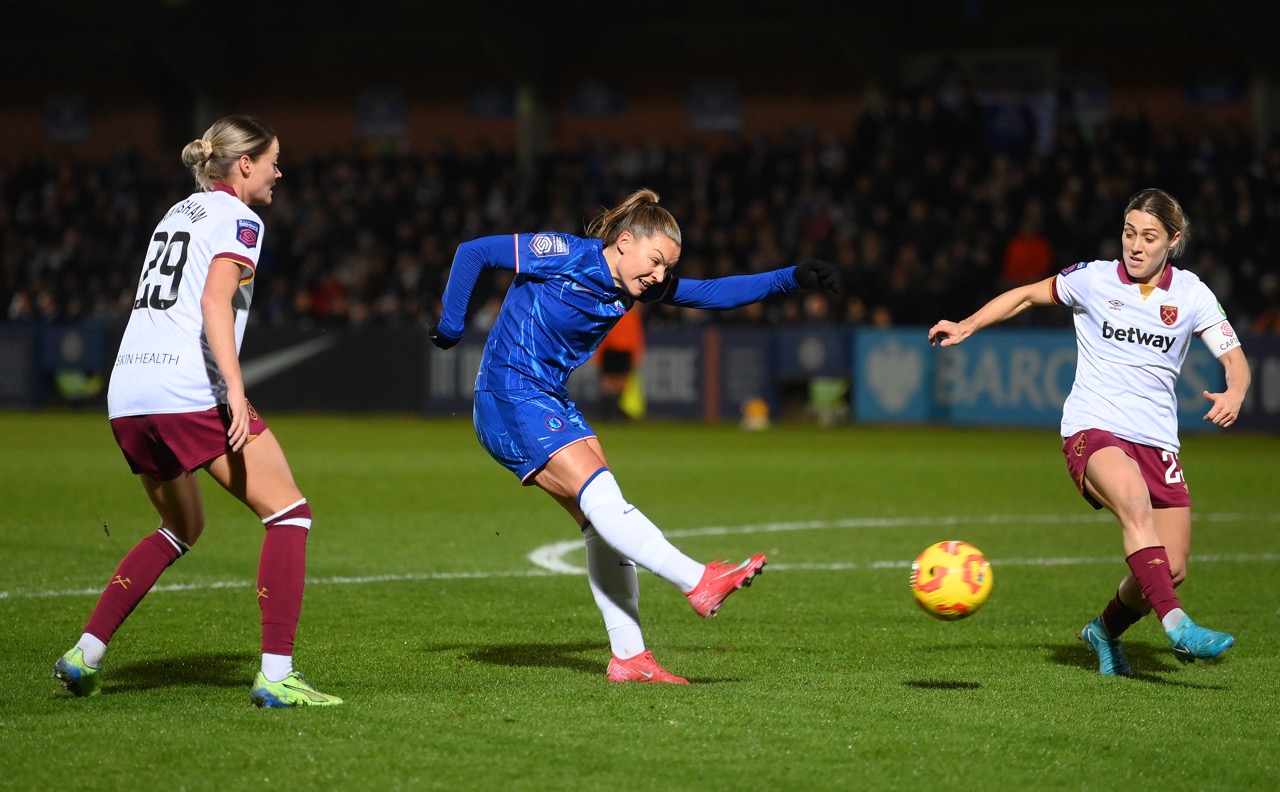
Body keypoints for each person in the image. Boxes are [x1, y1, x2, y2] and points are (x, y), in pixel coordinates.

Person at [429, 188, 839, 683]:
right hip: (509, 393)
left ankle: (629, 658)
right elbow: (473, 252)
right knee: (604, 500)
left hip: (546, 398)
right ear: (624, 242)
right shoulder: (563, 254)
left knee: (601, 521)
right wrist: (451, 326)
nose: (660, 276)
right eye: (656, 260)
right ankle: (698, 581)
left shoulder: (635, 285)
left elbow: (710, 293)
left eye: (667, 267)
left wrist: (788, 278)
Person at [52, 116, 341, 708]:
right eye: (273, 161)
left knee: (183, 528)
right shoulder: (241, 217)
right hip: (186, 388)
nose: (279, 172)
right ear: (243, 166)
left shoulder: (179, 212)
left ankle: (86, 652)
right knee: (290, 514)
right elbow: (214, 301)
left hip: (130, 392)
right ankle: (277, 675)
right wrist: (234, 388)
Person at [928, 187, 1250, 677]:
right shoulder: (1093, 279)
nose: (1135, 246)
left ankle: (1103, 630)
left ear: (1173, 241)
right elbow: (1024, 295)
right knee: (1134, 504)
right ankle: (1179, 625)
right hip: (1094, 427)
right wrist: (968, 325)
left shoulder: (1192, 293)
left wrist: (1235, 392)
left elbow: (1235, 360)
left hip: (1158, 441)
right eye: (1128, 233)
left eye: (1149, 237)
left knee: (1173, 567)